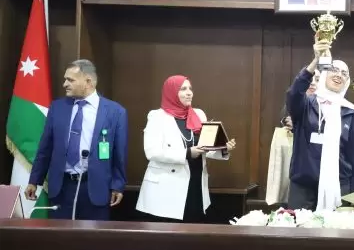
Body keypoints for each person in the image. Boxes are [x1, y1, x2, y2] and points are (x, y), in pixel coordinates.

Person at [25, 59, 127, 221]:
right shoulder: (57, 108)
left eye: (70, 80)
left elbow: (119, 153)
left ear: (88, 82)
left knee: (92, 236)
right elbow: (45, 148)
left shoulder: (115, 112)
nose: (65, 84)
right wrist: (34, 180)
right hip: (62, 188)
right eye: (65, 79)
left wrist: (118, 185)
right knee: (59, 235)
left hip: (95, 188)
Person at [136, 75, 235, 223]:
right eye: (183, 89)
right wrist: (187, 153)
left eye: (190, 88)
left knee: (193, 230)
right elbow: (152, 152)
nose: (189, 93)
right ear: (171, 92)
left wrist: (223, 148)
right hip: (166, 188)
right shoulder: (157, 116)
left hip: (195, 183)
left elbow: (205, 147)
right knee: (169, 234)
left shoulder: (199, 114)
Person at [285, 39, 354, 210]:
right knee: (300, 227)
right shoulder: (306, 104)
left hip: (338, 187)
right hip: (304, 186)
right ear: (324, 74)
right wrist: (315, 61)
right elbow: (293, 94)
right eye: (334, 70)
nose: (339, 75)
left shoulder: (350, 111)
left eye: (344, 73)